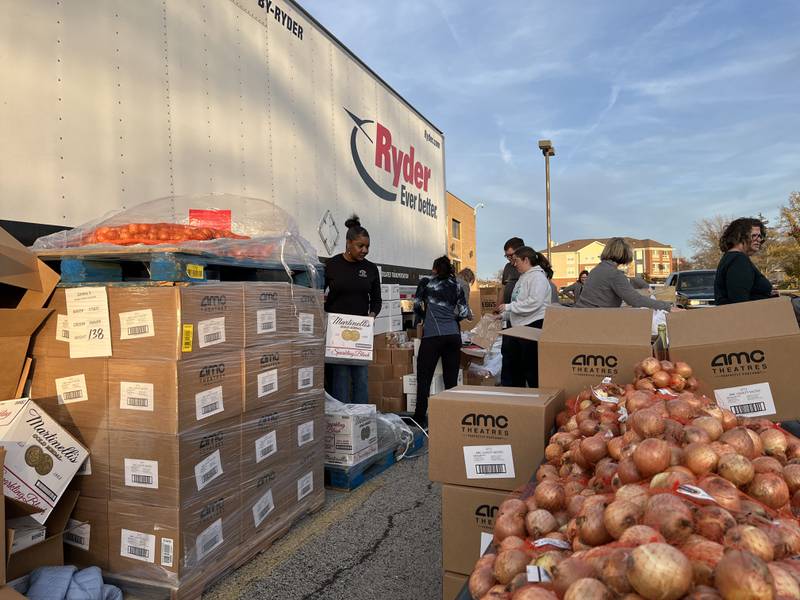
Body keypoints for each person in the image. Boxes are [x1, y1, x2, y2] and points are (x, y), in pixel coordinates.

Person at [324, 215, 381, 404]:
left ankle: (360, 421)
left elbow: (377, 301)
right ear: (348, 243)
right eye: (360, 246)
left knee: (361, 379)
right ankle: (341, 423)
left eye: (367, 247)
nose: (364, 250)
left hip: (360, 335)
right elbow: (319, 296)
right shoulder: (332, 266)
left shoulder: (371, 269)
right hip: (337, 335)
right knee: (339, 379)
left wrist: (371, 316)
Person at [413, 256, 469, 428]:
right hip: (453, 335)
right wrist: (453, 318)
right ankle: (451, 417)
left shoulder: (426, 283)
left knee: (424, 378)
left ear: (435, 269)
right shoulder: (457, 285)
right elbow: (464, 312)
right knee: (451, 380)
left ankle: (420, 417)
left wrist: (425, 317)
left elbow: (416, 306)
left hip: (432, 336)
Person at [495, 247, 551, 387]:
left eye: (516, 261)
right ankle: (517, 398)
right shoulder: (523, 277)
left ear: (526, 260)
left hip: (532, 326)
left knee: (531, 369)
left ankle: (537, 400)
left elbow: (534, 303)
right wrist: (504, 316)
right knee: (516, 368)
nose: (514, 264)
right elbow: (518, 303)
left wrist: (508, 307)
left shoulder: (538, 277)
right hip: (519, 327)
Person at [575, 238, 677, 311]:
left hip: (583, 315)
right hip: (596, 321)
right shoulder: (614, 274)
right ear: (624, 254)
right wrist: (668, 307)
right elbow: (635, 300)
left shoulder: (596, 270)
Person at [714, 217, 773, 304]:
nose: (759, 239)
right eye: (754, 235)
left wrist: (768, 295)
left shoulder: (731, 258)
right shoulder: (738, 260)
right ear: (740, 236)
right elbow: (739, 303)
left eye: (760, 236)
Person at [500, 237, 525, 386]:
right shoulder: (508, 267)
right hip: (509, 317)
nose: (510, 259)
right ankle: (507, 387)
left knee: (521, 357)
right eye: (507, 256)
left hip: (524, 320)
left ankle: (521, 388)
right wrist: (498, 308)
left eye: (511, 255)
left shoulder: (528, 267)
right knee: (507, 353)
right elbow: (503, 288)